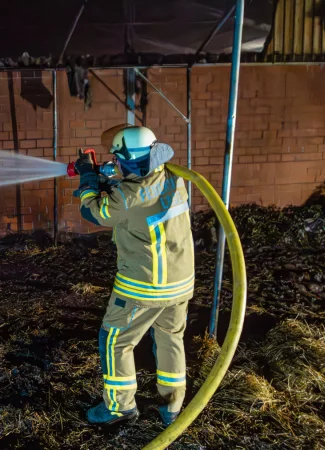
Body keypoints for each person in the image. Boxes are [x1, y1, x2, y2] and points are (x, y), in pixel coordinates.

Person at [73, 125, 194, 426]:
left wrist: (89, 177)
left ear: (127, 160)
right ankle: (172, 406)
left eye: (117, 159)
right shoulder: (173, 178)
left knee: (115, 340)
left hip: (145, 285)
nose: (113, 163)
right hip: (180, 283)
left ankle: (118, 407)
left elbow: (96, 212)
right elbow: (137, 188)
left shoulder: (129, 194)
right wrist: (109, 177)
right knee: (170, 339)